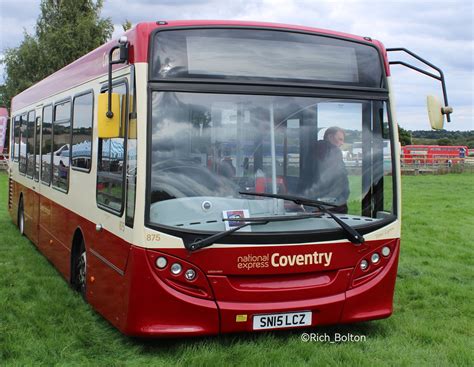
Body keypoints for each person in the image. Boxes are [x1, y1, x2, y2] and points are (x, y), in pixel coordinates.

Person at [310, 126, 349, 213]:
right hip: (333, 204)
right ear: (330, 137)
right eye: (340, 139)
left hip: (316, 202)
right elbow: (340, 179)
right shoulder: (334, 151)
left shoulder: (312, 151)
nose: (342, 143)